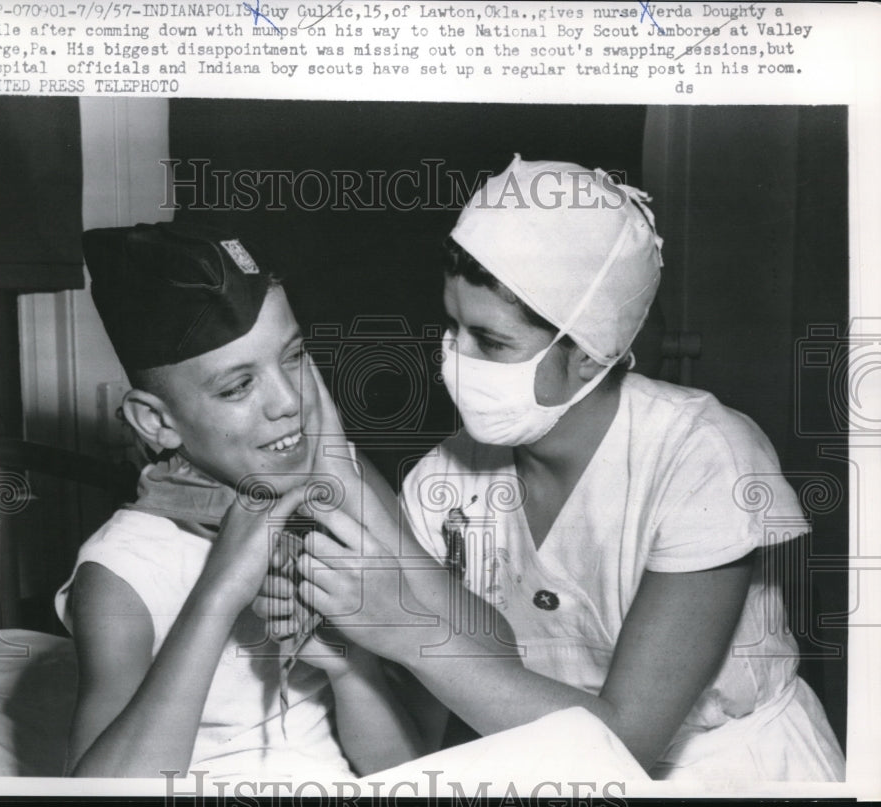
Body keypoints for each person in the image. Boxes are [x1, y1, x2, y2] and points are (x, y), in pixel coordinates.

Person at [255, 156, 846, 781]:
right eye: (452, 327)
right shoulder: (443, 485)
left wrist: (408, 632)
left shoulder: (703, 457)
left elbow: (626, 745)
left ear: (590, 355)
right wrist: (353, 661)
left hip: (740, 772)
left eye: (492, 341)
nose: (454, 359)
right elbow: (414, 759)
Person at [53, 222, 425, 780]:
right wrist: (218, 593)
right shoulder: (123, 571)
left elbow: (411, 770)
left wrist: (351, 668)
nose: (288, 401)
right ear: (156, 421)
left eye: (294, 357)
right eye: (237, 387)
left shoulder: (337, 503)